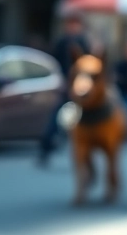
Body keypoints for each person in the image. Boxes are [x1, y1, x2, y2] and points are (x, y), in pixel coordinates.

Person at [38, 14, 92, 167]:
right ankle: (47, 148)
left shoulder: (83, 42)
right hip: (66, 86)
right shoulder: (62, 42)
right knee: (56, 118)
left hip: (80, 87)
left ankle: (84, 152)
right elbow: (54, 63)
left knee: (84, 119)